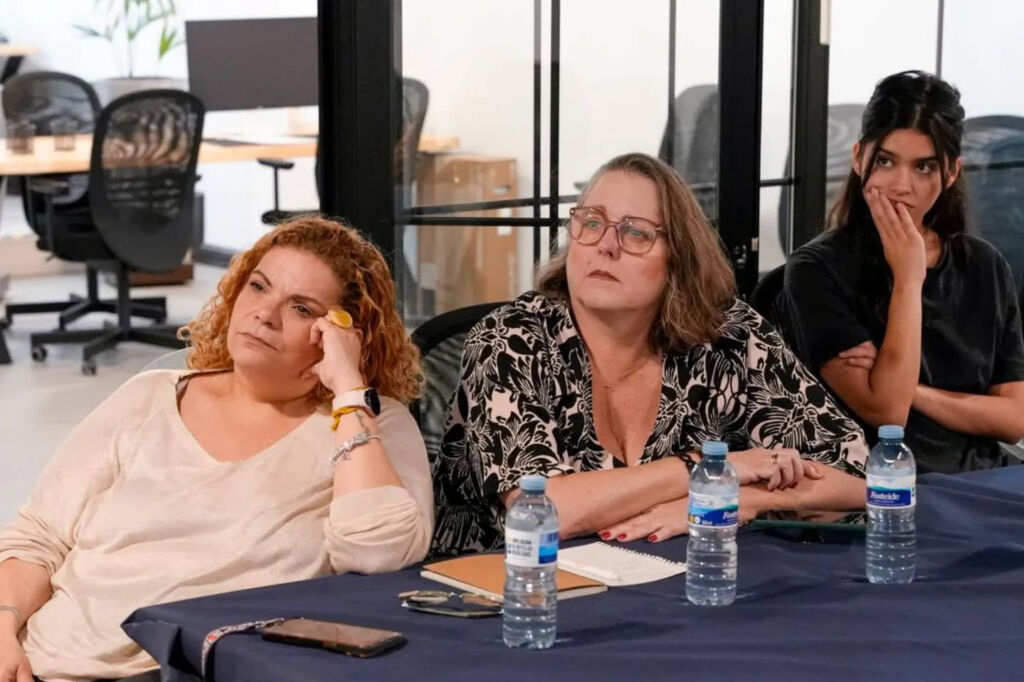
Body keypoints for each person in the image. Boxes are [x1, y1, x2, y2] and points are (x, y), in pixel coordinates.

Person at [0, 217, 433, 682]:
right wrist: (4, 626)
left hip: (182, 669)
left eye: (301, 308)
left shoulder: (369, 423)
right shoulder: (148, 396)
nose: (265, 314)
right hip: (39, 661)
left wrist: (348, 388)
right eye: (259, 286)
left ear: (344, 334)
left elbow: (377, 554)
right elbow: (40, 537)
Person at [430, 152, 867, 558]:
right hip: (505, 589)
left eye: (635, 232)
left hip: (669, 581)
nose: (606, 245)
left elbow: (859, 475)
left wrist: (738, 498)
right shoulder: (510, 339)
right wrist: (708, 470)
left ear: (679, 259)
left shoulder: (729, 335)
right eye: (591, 222)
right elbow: (546, 509)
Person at [785, 71, 1024, 473]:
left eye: (924, 167)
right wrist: (909, 280)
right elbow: (887, 412)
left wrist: (910, 388)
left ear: (951, 173)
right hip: (880, 482)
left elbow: (1014, 419)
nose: (901, 185)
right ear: (858, 158)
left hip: (983, 477)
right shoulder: (815, 269)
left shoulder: (985, 265)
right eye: (885, 161)